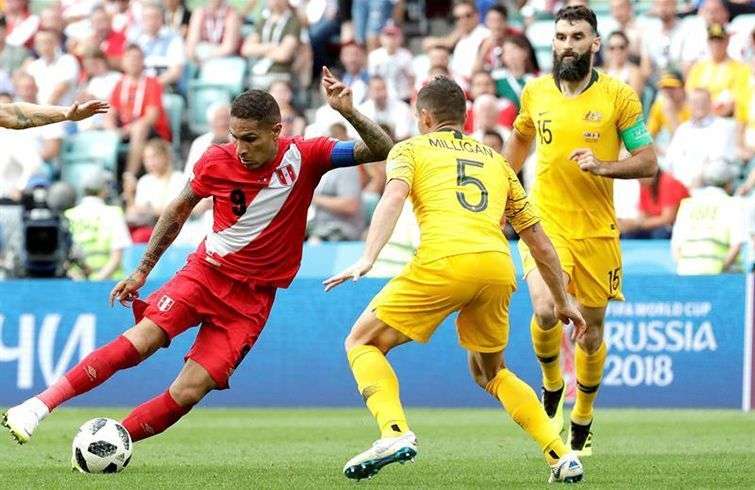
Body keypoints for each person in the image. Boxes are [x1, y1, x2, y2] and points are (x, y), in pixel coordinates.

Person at [1, 67, 393, 449]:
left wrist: (349, 112)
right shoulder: (215, 160)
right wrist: (141, 270)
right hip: (205, 273)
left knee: (188, 390)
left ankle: (112, 441)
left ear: (277, 132)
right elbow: (177, 210)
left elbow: (382, 149)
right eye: (235, 137)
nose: (240, 149)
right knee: (141, 340)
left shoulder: (309, 156)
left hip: (252, 300)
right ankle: (36, 407)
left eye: (250, 139)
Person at [323, 76, 586, 483]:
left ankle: (393, 431)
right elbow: (538, 239)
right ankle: (561, 454)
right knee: (491, 373)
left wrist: (368, 256)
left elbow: (392, 198)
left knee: (361, 341)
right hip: (497, 266)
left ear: (424, 117)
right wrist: (562, 300)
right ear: (463, 118)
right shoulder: (496, 161)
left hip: (444, 259)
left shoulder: (410, 150)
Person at [502, 6, 657, 456]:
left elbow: (648, 162)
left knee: (590, 331)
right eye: (561, 36)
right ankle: (552, 387)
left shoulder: (618, 96)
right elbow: (520, 140)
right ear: (553, 42)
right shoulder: (535, 93)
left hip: (596, 230)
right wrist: (501, 193)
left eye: (577, 36)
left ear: (595, 44)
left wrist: (604, 166)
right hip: (544, 222)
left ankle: (583, 417)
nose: (567, 44)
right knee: (547, 308)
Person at [671, 160, 746, 274]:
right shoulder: (732, 204)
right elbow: (736, 246)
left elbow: (676, 249)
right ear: (729, 183)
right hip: (718, 276)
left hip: (686, 273)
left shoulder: (687, 205)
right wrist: (718, 271)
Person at [65, 170, 132, 281]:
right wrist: (97, 281)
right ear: (104, 190)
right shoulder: (114, 213)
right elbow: (117, 257)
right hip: (109, 285)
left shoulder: (69, 215)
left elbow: (64, 256)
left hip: (77, 284)